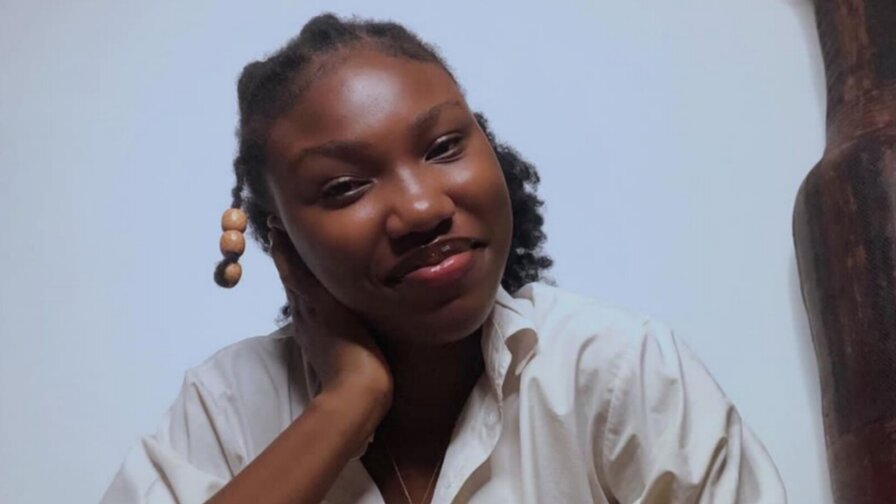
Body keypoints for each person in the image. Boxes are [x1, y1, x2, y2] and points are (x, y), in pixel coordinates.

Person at [101, 13, 787, 504]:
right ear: (283, 246)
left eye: (444, 147)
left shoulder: (614, 372)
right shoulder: (225, 409)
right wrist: (346, 405)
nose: (422, 206)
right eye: (345, 187)